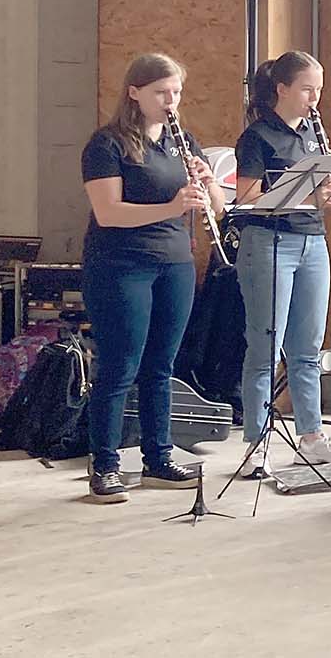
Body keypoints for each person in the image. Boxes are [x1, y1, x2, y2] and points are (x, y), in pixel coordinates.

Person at [79, 54, 228, 503]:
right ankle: (104, 464)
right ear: (135, 92)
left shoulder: (183, 142)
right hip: (121, 263)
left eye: (177, 92)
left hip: (175, 262)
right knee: (120, 365)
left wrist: (209, 182)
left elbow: (216, 206)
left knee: (163, 366)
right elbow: (108, 212)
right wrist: (171, 207)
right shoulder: (107, 145)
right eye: (162, 92)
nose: (171, 101)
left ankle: (158, 458)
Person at [232, 52, 331, 474]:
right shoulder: (257, 137)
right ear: (282, 89)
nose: (314, 99)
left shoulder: (313, 138)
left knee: (307, 348)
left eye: (318, 90)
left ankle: (312, 435)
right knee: (264, 346)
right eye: (306, 89)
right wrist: (309, 197)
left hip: (312, 242)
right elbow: (246, 200)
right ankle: (255, 441)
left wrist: (327, 197)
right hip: (269, 242)